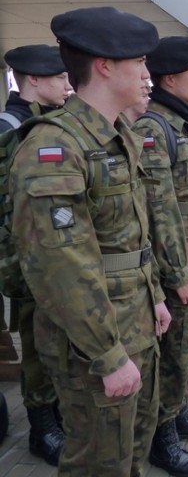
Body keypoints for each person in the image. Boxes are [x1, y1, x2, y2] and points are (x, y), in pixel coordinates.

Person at [9, 6, 171, 476]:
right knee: (100, 464)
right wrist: (106, 354)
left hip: (133, 323)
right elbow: (60, 267)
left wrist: (155, 295)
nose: (147, 75)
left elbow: (129, 236)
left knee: (130, 455)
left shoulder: (118, 135)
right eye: (139, 63)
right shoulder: (53, 149)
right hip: (93, 344)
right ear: (104, 65)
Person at [132, 36, 188, 477]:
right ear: (171, 78)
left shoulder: (181, 122)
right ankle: (162, 438)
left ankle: (178, 413)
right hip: (175, 267)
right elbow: (159, 209)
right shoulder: (154, 127)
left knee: (187, 350)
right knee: (172, 354)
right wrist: (182, 273)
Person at [1, 44, 72, 466]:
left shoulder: (44, 125)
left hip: (51, 256)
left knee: (57, 341)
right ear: (33, 80)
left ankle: (58, 416)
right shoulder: (9, 128)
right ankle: (42, 427)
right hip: (24, 260)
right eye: (60, 77)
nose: (68, 85)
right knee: (36, 343)